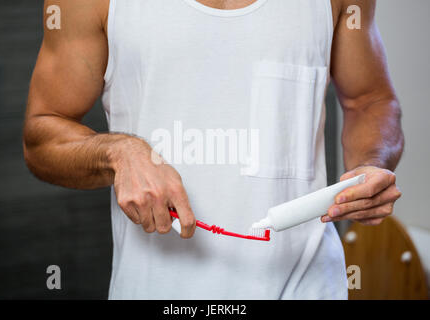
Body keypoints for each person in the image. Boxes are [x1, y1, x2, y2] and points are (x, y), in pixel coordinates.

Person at [24, 0, 404, 299]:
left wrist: (371, 163)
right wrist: (118, 152)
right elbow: (42, 135)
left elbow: (370, 100)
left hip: (309, 285)